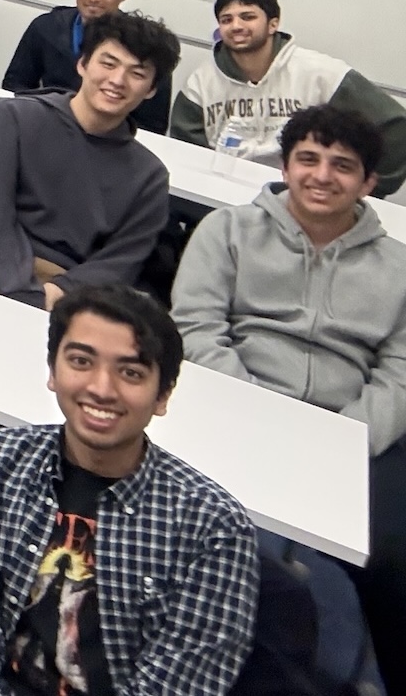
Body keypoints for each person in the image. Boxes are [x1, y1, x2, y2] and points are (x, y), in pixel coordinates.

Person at [0, 283, 258, 696]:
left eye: (130, 372)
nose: (101, 388)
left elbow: (172, 687)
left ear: (163, 395)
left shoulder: (214, 529)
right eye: (81, 361)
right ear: (53, 373)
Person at [170, 104, 406, 693]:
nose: (322, 175)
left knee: (394, 561)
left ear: (368, 183)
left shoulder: (399, 267)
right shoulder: (227, 230)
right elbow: (197, 328)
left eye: (342, 166)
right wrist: (254, 416)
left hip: (352, 430)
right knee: (207, 530)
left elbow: (400, 371)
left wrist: (344, 441)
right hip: (234, 403)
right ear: (285, 163)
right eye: (308, 159)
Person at [0, 11, 181, 308]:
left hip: (72, 290)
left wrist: (60, 290)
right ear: (82, 64)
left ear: (152, 90)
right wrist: (25, 293)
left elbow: (123, 258)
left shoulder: (150, 175)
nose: (118, 80)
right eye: (108, 63)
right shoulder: (13, 118)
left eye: (137, 73)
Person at [172, 0, 406, 196]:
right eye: (226, 20)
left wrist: (366, 189)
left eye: (247, 17)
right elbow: (185, 151)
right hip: (221, 198)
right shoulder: (201, 82)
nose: (236, 26)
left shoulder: (322, 73)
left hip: (301, 202)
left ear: (273, 24)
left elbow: (397, 125)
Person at [3, 0, 171, 135]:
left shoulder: (146, 45)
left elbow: (153, 125)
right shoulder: (46, 28)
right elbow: (14, 86)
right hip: (45, 127)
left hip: (110, 142)